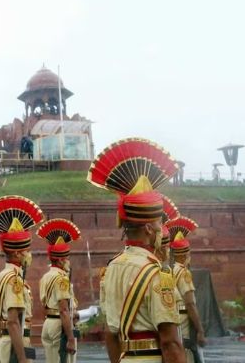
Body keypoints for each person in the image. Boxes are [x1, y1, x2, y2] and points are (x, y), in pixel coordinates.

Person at [88, 138, 185, 362]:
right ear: (150, 228)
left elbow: (111, 335)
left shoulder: (110, 269)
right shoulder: (159, 274)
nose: (163, 229)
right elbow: (170, 342)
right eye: (160, 224)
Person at [0, 195, 45, 363]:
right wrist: (22, 358)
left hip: (7, 342)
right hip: (15, 345)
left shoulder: (2, 276)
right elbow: (13, 322)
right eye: (26, 251)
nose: (29, 255)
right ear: (16, 253)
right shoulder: (13, 279)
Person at [37, 219, 82, 363]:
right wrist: (70, 338)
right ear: (61, 260)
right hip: (60, 326)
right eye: (67, 258)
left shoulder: (46, 276)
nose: (69, 261)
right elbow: (63, 310)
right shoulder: (62, 278)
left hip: (48, 324)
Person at [167, 217, 206, 363]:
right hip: (184, 325)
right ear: (184, 255)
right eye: (189, 254)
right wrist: (200, 330)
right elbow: (190, 304)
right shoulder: (183, 273)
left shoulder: (169, 270)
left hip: (172, 322)